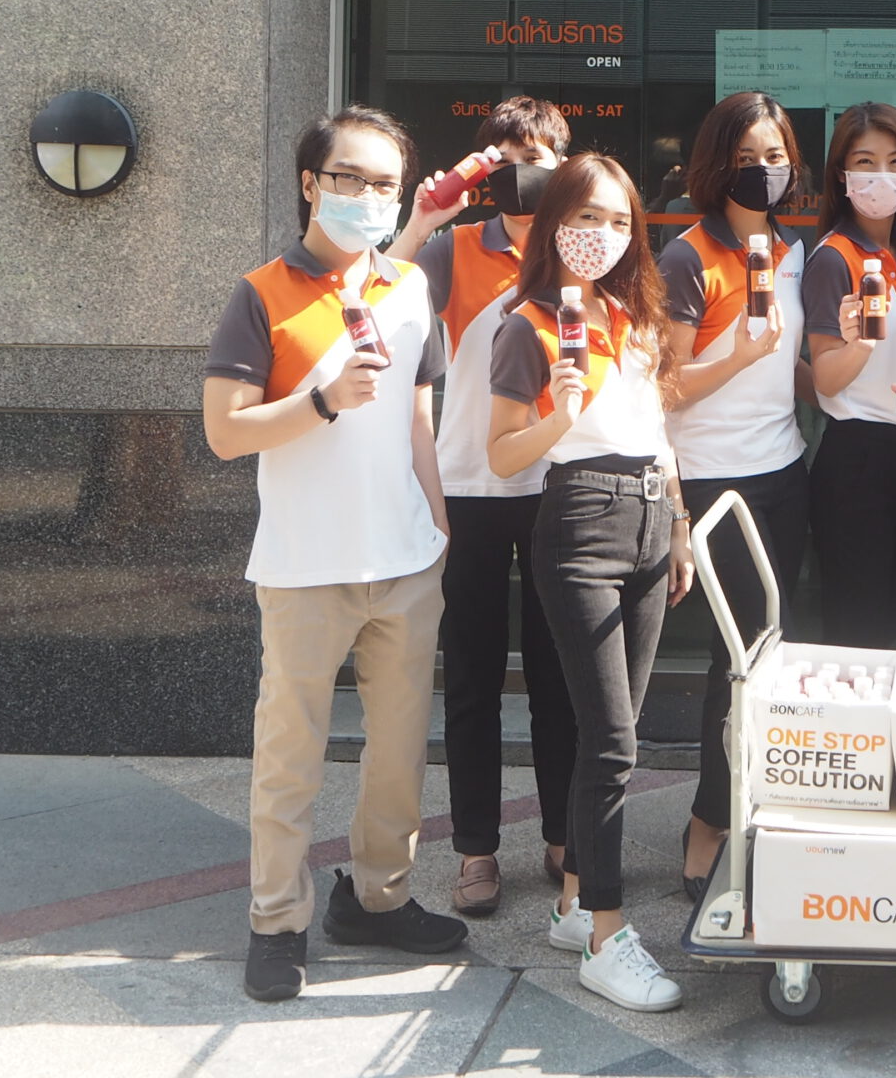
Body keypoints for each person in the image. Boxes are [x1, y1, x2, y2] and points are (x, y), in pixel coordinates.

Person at [202, 106, 466, 1004]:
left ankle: (379, 898)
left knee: (398, 752)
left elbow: (419, 423)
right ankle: (277, 921)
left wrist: (437, 531)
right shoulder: (262, 293)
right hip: (304, 567)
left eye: (386, 184)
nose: (368, 197)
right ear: (310, 183)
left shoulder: (410, 288)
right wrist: (321, 401)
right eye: (349, 178)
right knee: (290, 756)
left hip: (405, 562)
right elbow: (224, 432)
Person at [489, 153, 694, 1014]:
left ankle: (575, 902)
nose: (602, 234)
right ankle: (608, 939)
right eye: (586, 217)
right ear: (554, 224)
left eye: (618, 221)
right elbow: (503, 453)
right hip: (578, 520)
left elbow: (657, 429)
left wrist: (678, 523)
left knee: (613, 732)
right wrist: (561, 417)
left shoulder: (631, 313)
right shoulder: (527, 325)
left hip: (648, 515)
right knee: (611, 742)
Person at [384, 94, 579, 918]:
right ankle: (475, 848)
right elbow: (374, 300)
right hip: (467, 487)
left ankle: (564, 835)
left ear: (563, 167)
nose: (521, 173)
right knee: (469, 678)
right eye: (504, 159)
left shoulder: (580, 249)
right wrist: (424, 219)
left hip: (558, 484)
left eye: (536, 158)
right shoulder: (455, 249)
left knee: (558, 675)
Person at [659, 91, 811, 903]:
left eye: (775, 156)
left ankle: (750, 806)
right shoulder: (689, 257)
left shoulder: (793, 250)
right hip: (715, 482)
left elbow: (792, 369)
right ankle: (708, 823)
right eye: (747, 158)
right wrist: (744, 355)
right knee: (737, 660)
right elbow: (665, 386)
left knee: (772, 652)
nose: (764, 171)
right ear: (717, 165)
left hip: (785, 470)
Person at [803, 101, 896, 648]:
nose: (881, 176)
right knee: (857, 632)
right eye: (865, 162)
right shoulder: (833, 257)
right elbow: (825, 379)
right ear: (841, 175)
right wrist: (861, 343)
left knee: (891, 620)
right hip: (858, 460)